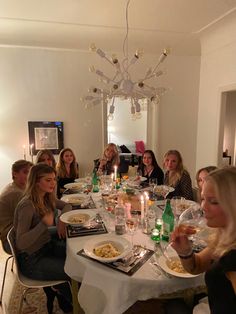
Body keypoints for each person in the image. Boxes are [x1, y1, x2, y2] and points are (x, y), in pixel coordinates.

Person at [171, 167, 236, 314]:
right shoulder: (224, 236)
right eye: (202, 199)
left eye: (213, 202)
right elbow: (197, 266)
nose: (203, 207)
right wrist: (185, 251)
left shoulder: (233, 258)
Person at [13, 163, 73, 313]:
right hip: (31, 260)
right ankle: (73, 305)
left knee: (77, 256)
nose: (53, 183)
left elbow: (67, 206)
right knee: (73, 270)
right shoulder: (27, 205)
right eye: (48, 180)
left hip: (45, 247)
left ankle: (62, 293)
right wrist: (43, 224)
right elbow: (20, 243)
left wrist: (61, 220)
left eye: (54, 179)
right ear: (36, 182)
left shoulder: (46, 197)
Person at [0, 160, 32, 253]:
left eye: (31, 172)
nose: (29, 175)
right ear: (14, 174)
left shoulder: (20, 187)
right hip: (12, 240)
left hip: (18, 234)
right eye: (26, 172)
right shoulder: (16, 193)